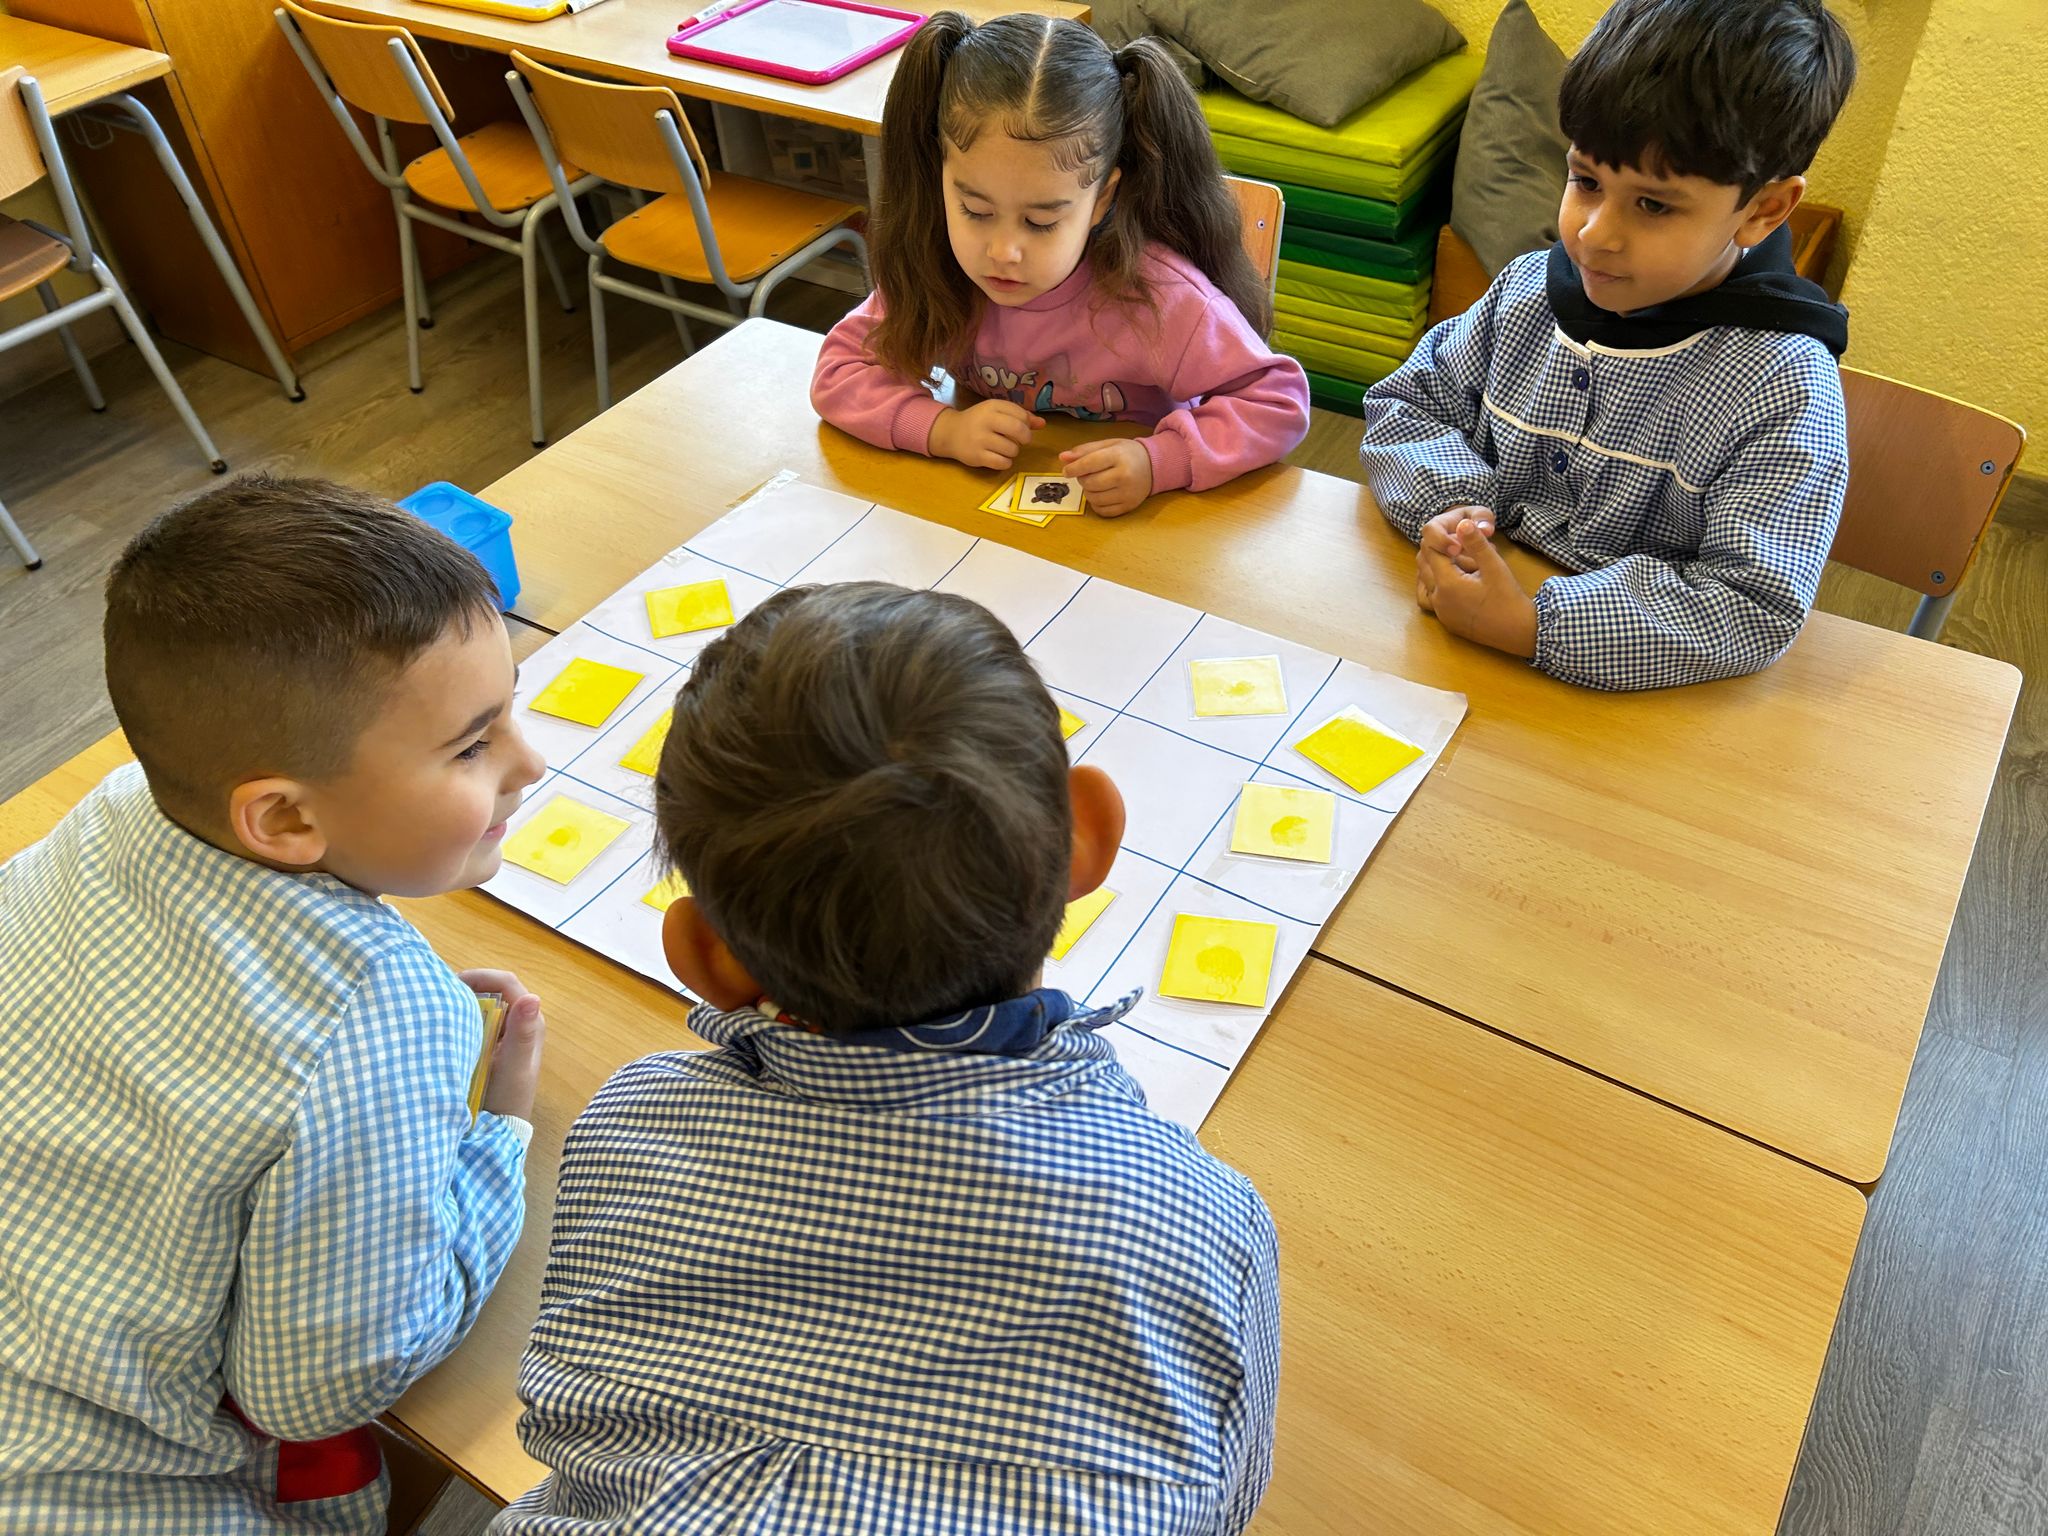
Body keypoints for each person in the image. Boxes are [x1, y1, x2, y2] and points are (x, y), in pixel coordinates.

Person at [495, 582, 1280, 1534]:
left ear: (706, 959)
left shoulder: (630, 1126)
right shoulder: (1200, 1220)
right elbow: (1223, 1506)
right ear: (1087, 838)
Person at [0, 475, 548, 1533]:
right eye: (473, 744)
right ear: (287, 820)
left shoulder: (117, 806)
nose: (531, 759)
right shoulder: (383, 1018)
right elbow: (316, 1391)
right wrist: (494, 1139)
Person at [1360, 0, 1857, 690]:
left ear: (1763, 210)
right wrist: (1453, 506)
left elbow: (1751, 604)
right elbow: (1409, 404)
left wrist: (1534, 626)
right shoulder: (1526, 291)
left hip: (1626, 704)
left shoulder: (1782, 383)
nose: (1594, 234)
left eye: (1653, 204)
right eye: (1586, 180)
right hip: (1450, 654)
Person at [812, 12, 1309, 517]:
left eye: (1041, 221)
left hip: (1135, 521)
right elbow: (839, 372)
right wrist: (943, 429)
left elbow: (1277, 403)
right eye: (975, 211)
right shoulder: (936, 267)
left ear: (1101, 199)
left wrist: (1159, 459)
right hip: (987, 507)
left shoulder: (1159, 296)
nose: (1003, 252)